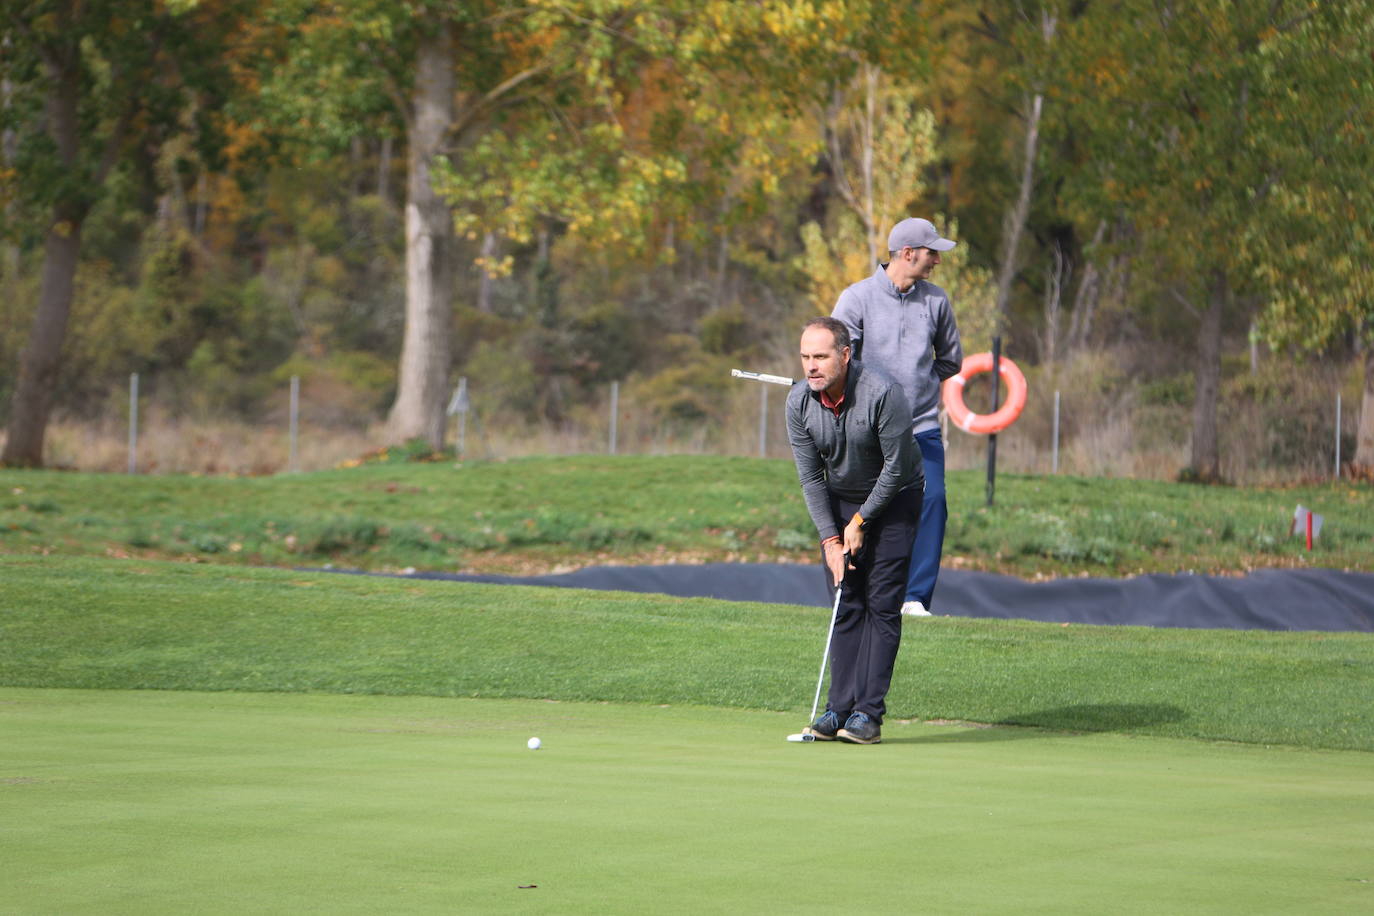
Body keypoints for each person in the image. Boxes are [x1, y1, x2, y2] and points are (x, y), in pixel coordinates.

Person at [786, 317, 922, 745]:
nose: (811, 366)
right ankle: (837, 709)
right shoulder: (798, 403)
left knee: (881, 605)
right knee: (846, 602)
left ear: (845, 355)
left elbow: (896, 468)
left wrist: (860, 522)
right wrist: (831, 539)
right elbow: (810, 479)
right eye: (806, 357)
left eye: (821, 356)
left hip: (896, 497)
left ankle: (868, 714)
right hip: (840, 499)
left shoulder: (883, 393)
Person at [832, 217, 963, 618]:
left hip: (921, 426)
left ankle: (915, 597)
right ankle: (861, 590)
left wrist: (920, 385)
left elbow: (951, 361)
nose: (936, 261)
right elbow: (840, 362)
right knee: (867, 507)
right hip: (867, 431)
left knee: (934, 500)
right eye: (931, 253)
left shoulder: (937, 302)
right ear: (908, 254)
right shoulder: (856, 299)